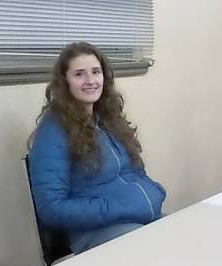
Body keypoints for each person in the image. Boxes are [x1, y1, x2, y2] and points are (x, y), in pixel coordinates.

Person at [28, 42, 166, 255]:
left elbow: (137, 172)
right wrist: (119, 208)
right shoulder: (53, 132)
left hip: (140, 219)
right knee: (159, 254)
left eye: (96, 72)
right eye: (79, 74)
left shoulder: (109, 119)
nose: (90, 81)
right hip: (95, 233)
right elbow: (51, 208)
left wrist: (155, 193)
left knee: (189, 239)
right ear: (65, 82)